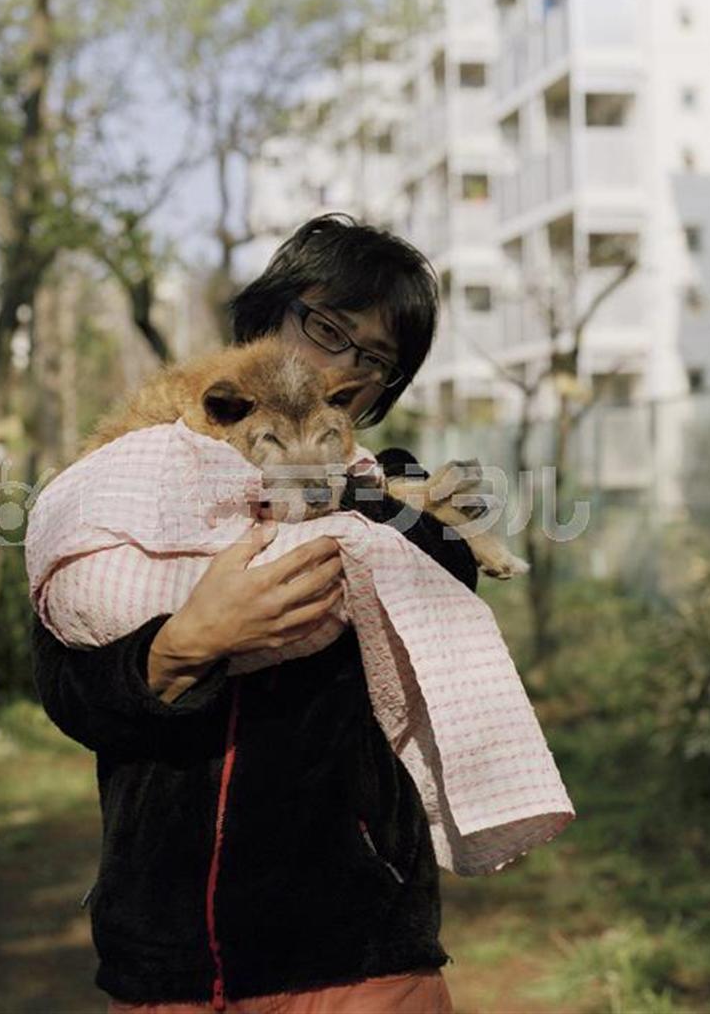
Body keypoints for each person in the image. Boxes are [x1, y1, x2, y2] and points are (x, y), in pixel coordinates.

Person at [30, 213, 478, 1013]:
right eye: (326, 328)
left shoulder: (388, 490)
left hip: (356, 953)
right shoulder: (129, 484)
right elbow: (70, 689)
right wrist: (184, 646)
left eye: (375, 357)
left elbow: (447, 582)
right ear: (265, 318)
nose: (343, 363)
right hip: (165, 949)